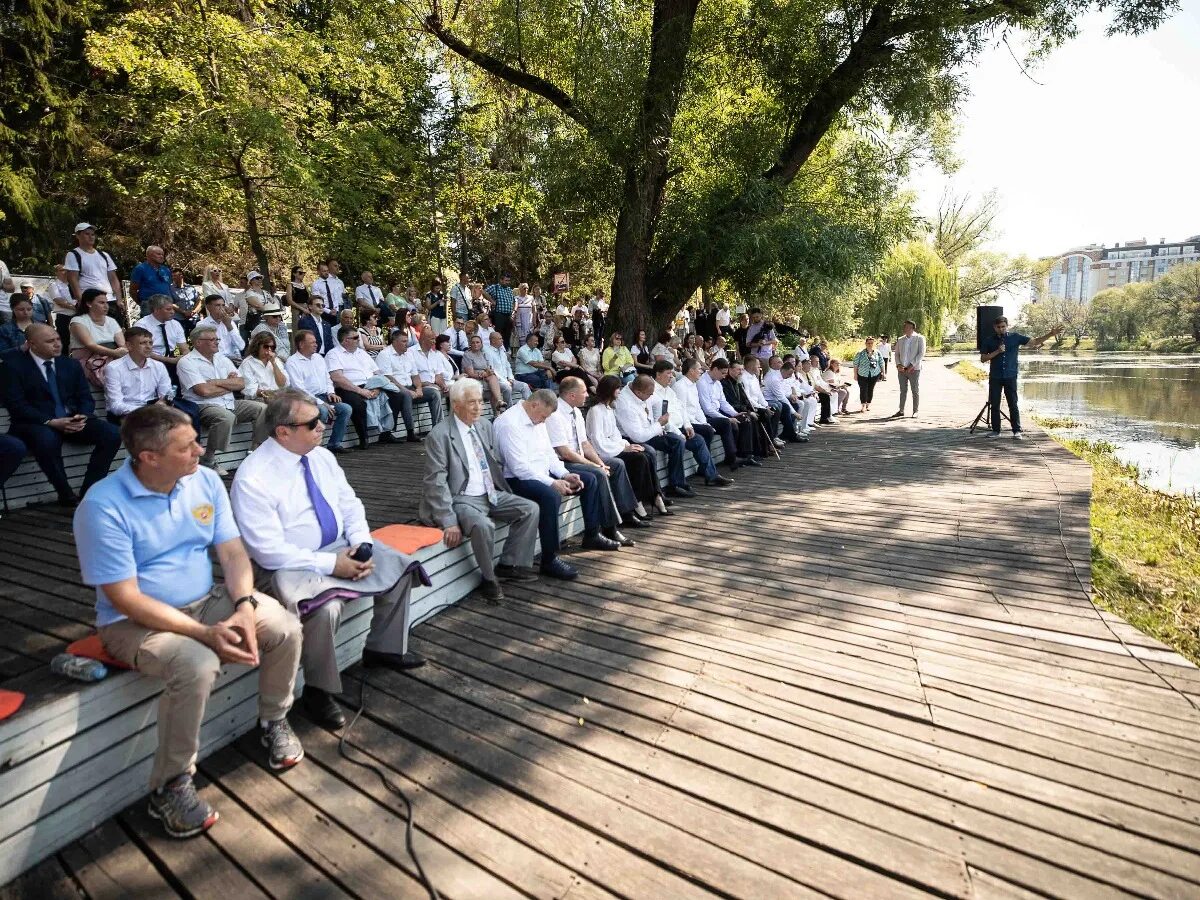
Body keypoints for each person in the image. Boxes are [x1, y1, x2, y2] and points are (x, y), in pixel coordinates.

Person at [76, 404, 304, 837]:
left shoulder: (203, 479)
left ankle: (273, 719)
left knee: (283, 626)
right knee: (197, 664)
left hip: (208, 601)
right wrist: (203, 634)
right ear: (150, 458)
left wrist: (242, 605)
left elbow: (234, 553)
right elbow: (124, 598)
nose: (201, 449)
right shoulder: (102, 505)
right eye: (188, 446)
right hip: (132, 624)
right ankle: (171, 784)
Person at [231, 390, 427, 729]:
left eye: (320, 417)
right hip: (287, 564)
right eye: (312, 422)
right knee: (324, 609)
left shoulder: (319, 456)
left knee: (398, 566)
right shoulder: (253, 477)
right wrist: (332, 565)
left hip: (338, 546)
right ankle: (319, 691)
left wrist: (363, 543)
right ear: (283, 431)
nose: (323, 425)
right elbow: (267, 550)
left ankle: (384, 647)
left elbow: (349, 503)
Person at [420, 379, 542, 602]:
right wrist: (448, 520)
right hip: (461, 498)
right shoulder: (440, 435)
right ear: (456, 405)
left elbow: (494, 461)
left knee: (530, 509)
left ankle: (509, 564)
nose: (478, 407)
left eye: (480, 401)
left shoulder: (484, 426)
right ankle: (489, 578)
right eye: (471, 403)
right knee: (483, 525)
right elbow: (435, 483)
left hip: (490, 493)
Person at [494, 390, 621, 579]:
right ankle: (549, 559)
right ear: (534, 404)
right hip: (514, 480)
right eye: (543, 417)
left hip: (540, 474)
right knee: (550, 495)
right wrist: (553, 482)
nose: (544, 421)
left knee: (589, 479)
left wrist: (566, 474)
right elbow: (519, 469)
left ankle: (592, 534)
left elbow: (549, 455)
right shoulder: (509, 424)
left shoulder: (537, 417)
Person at [2, 324, 122, 504]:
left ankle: (91, 489)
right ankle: (65, 494)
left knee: (113, 433)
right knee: (46, 440)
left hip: (72, 419)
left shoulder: (70, 364)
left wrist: (83, 415)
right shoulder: (14, 367)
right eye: (50, 341)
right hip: (35, 423)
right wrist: (51, 421)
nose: (57, 344)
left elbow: (85, 397)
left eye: (58, 339)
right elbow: (17, 406)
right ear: (33, 344)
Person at [548, 377, 634, 545]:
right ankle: (608, 529)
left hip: (578, 458)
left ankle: (627, 512)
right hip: (562, 464)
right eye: (584, 392)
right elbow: (564, 452)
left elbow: (585, 444)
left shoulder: (576, 411)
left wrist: (599, 462)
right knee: (598, 474)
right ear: (572, 395)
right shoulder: (555, 414)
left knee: (615, 464)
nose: (587, 395)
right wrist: (594, 466)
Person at [177, 325, 269, 474]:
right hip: (204, 405)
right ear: (198, 342)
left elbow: (241, 383)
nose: (217, 342)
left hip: (229, 402)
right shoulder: (186, 362)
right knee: (226, 417)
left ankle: (255, 450)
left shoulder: (222, 359)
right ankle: (209, 459)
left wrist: (215, 382)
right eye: (212, 339)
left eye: (217, 339)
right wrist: (228, 384)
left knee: (263, 409)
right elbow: (203, 391)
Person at [586, 375, 670, 520]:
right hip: (604, 452)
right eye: (618, 389)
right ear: (610, 391)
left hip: (615, 447)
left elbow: (616, 435)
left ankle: (653, 495)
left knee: (644, 453)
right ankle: (637, 501)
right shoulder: (595, 411)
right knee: (639, 459)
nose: (620, 391)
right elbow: (598, 441)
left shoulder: (608, 408)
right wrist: (623, 449)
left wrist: (627, 445)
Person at [651, 360, 731, 487]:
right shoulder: (653, 392)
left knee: (698, 440)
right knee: (679, 442)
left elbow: (681, 409)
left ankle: (711, 476)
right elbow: (661, 419)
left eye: (672, 373)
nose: (672, 376)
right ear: (658, 374)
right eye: (668, 373)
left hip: (680, 428)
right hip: (665, 431)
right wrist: (679, 432)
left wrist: (687, 425)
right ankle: (677, 484)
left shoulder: (669, 391)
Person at [615, 374, 695, 498]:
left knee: (678, 441)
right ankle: (655, 493)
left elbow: (658, 401)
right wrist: (658, 424)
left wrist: (658, 423)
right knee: (649, 452)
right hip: (631, 438)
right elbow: (638, 436)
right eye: (648, 394)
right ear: (638, 392)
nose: (651, 396)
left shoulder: (643, 391)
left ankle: (676, 484)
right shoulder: (625, 404)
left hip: (650, 430)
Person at [980, 316, 1061, 440]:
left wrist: (1050, 334)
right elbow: (983, 359)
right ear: (994, 327)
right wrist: (997, 351)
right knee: (994, 404)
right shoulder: (989, 340)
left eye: (1003, 326)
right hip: (995, 376)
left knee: (1013, 403)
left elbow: (1034, 342)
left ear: (1007, 326)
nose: (1001, 329)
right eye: (998, 327)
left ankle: (1016, 431)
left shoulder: (1015, 337)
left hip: (1010, 376)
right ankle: (996, 431)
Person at [324, 325, 395, 449]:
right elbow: (337, 378)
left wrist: (377, 388)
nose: (359, 339)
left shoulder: (362, 353)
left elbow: (377, 372)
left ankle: (387, 433)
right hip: (348, 388)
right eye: (356, 337)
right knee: (357, 403)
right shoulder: (333, 354)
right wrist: (361, 391)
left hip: (370, 384)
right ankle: (364, 438)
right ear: (346, 340)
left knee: (395, 395)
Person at [285, 330, 352, 453]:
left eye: (316, 342)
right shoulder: (292, 362)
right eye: (312, 342)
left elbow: (327, 378)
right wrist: (320, 402)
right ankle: (315, 447)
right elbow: (299, 389)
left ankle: (334, 444)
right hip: (306, 400)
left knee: (346, 408)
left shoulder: (319, 358)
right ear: (301, 344)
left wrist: (331, 392)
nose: (316, 344)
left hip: (325, 396)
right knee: (321, 410)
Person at [376, 328, 439, 442]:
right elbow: (388, 378)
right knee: (406, 395)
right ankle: (410, 432)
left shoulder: (408, 354)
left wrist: (419, 388)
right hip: (394, 389)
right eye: (404, 341)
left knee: (434, 392)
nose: (407, 344)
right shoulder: (385, 354)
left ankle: (437, 427)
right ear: (394, 342)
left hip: (411, 387)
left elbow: (415, 375)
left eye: (407, 341)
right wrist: (407, 390)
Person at [102, 327, 175, 423]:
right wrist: (147, 410)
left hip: (154, 412)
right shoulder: (114, 368)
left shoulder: (158, 366)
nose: (149, 347)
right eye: (143, 343)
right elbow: (115, 406)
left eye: (150, 343)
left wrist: (164, 402)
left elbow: (166, 394)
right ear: (129, 345)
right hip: (125, 415)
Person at [696, 358, 756, 468]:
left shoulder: (717, 383)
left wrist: (734, 414)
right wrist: (727, 418)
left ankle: (745, 455)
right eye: (723, 373)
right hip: (706, 416)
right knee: (728, 423)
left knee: (744, 418)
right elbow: (707, 409)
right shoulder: (702, 382)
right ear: (714, 369)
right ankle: (731, 457)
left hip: (717, 412)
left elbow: (723, 402)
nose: (724, 376)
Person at [64, 223, 126, 327]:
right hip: (90, 301)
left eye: (92, 234)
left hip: (109, 300)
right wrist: (81, 300)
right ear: (78, 236)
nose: (91, 237)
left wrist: (119, 299)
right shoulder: (73, 254)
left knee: (116, 330)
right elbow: (73, 279)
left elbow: (113, 278)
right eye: (87, 234)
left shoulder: (104, 255)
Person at [69, 288, 128, 387]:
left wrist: (121, 353)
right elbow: (90, 345)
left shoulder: (111, 321)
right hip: (89, 362)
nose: (106, 306)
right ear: (89, 304)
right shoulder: (78, 321)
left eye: (106, 302)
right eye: (101, 302)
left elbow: (122, 344)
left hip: (112, 359)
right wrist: (114, 353)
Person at [135, 294, 189, 373]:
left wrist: (184, 357)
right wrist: (170, 360)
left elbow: (184, 348)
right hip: (149, 361)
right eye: (168, 309)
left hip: (172, 359)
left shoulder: (175, 324)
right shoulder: (142, 325)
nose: (173, 312)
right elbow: (143, 351)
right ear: (156, 310)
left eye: (173, 309)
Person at [406, 328, 454, 414]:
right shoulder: (410, 352)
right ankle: (438, 424)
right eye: (432, 339)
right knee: (435, 392)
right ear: (424, 340)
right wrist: (426, 384)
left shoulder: (434, 354)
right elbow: (410, 375)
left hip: (434, 385)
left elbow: (438, 375)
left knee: (457, 389)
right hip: (420, 387)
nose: (435, 341)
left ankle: (453, 420)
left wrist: (443, 385)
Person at [739, 356, 783, 447]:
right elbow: (748, 398)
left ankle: (772, 438)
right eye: (758, 365)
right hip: (750, 406)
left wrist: (766, 405)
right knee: (766, 413)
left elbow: (759, 395)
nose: (760, 368)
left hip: (759, 405)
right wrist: (762, 407)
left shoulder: (754, 377)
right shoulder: (743, 378)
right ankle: (768, 444)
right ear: (752, 366)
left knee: (774, 409)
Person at [461, 333, 508, 411]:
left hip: (486, 378)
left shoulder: (483, 354)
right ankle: (498, 407)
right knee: (494, 385)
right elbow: (470, 374)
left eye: (477, 342)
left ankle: (499, 405)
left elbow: (487, 367)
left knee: (493, 378)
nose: (475, 344)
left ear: (481, 343)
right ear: (470, 344)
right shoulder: (467, 355)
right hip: (474, 380)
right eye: (473, 342)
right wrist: (484, 374)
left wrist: (489, 371)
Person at [239, 331, 291, 402]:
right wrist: (267, 394)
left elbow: (283, 384)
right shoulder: (247, 363)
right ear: (258, 346)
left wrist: (274, 364)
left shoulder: (276, 361)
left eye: (272, 347)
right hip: (257, 400)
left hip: (277, 398)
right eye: (266, 346)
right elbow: (250, 389)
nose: (269, 350)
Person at [484, 330, 531, 404]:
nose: (502, 340)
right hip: (498, 381)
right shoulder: (488, 352)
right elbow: (492, 371)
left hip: (508, 380)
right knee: (507, 388)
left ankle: (529, 406)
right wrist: (506, 381)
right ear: (493, 341)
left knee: (524, 386)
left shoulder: (502, 351)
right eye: (500, 338)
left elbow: (508, 366)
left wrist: (511, 378)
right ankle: (509, 409)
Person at [891, 319, 926, 419]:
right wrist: (898, 365)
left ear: (912, 328)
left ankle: (915, 411)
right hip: (902, 370)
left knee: (914, 390)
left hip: (914, 369)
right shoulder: (901, 339)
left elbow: (921, 354)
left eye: (906, 326)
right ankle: (901, 410)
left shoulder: (920, 338)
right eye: (904, 326)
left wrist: (912, 365)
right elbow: (896, 354)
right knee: (903, 390)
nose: (904, 328)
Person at [197, 294, 245, 364]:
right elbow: (204, 349)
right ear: (208, 307)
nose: (222, 308)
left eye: (223, 305)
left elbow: (241, 346)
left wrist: (229, 326)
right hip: (215, 361)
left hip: (233, 360)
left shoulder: (230, 322)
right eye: (217, 305)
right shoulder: (202, 325)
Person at [129, 246, 173, 318]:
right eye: (158, 254)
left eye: (162, 254)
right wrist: (142, 303)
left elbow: (168, 286)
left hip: (166, 304)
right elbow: (133, 290)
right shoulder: (140, 269)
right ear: (149, 255)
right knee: (149, 327)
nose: (162, 256)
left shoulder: (166, 270)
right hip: (149, 306)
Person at [852, 336, 884, 413]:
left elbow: (881, 362)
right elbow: (855, 364)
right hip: (862, 374)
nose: (870, 344)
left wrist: (883, 372)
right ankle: (863, 405)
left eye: (871, 343)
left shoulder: (877, 352)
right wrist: (855, 374)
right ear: (865, 344)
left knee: (870, 389)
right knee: (863, 390)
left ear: (873, 344)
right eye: (868, 343)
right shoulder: (860, 353)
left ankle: (868, 404)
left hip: (874, 374)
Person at [484, 274, 516, 347]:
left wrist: (513, 312)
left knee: (507, 335)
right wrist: (492, 300)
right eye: (506, 280)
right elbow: (483, 292)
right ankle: (497, 348)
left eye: (508, 281)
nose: (507, 282)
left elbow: (514, 301)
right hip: (499, 314)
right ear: (501, 280)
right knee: (498, 334)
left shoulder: (510, 290)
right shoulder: (495, 287)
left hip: (508, 315)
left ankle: (506, 350)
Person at [313, 259, 346, 324]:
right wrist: (328, 311)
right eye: (324, 271)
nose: (326, 273)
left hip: (334, 311)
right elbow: (317, 300)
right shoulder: (316, 284)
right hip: (323, 311)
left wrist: (335, 309)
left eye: (327, 271)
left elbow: (335, 297)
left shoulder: (332, 282)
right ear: (319, 272)